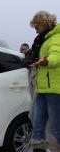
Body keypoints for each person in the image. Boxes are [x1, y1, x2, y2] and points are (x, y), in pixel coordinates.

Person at [28, 11, 60, 152]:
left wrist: (46, 61)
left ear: (44, 24)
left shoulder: (56, 38)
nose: (35, 30)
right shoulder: (43, 39)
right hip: (42, 90)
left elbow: (56, 56)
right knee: (38, 126)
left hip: (54, 91)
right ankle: (39, 149)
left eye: (37, 26)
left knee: (56, 127)